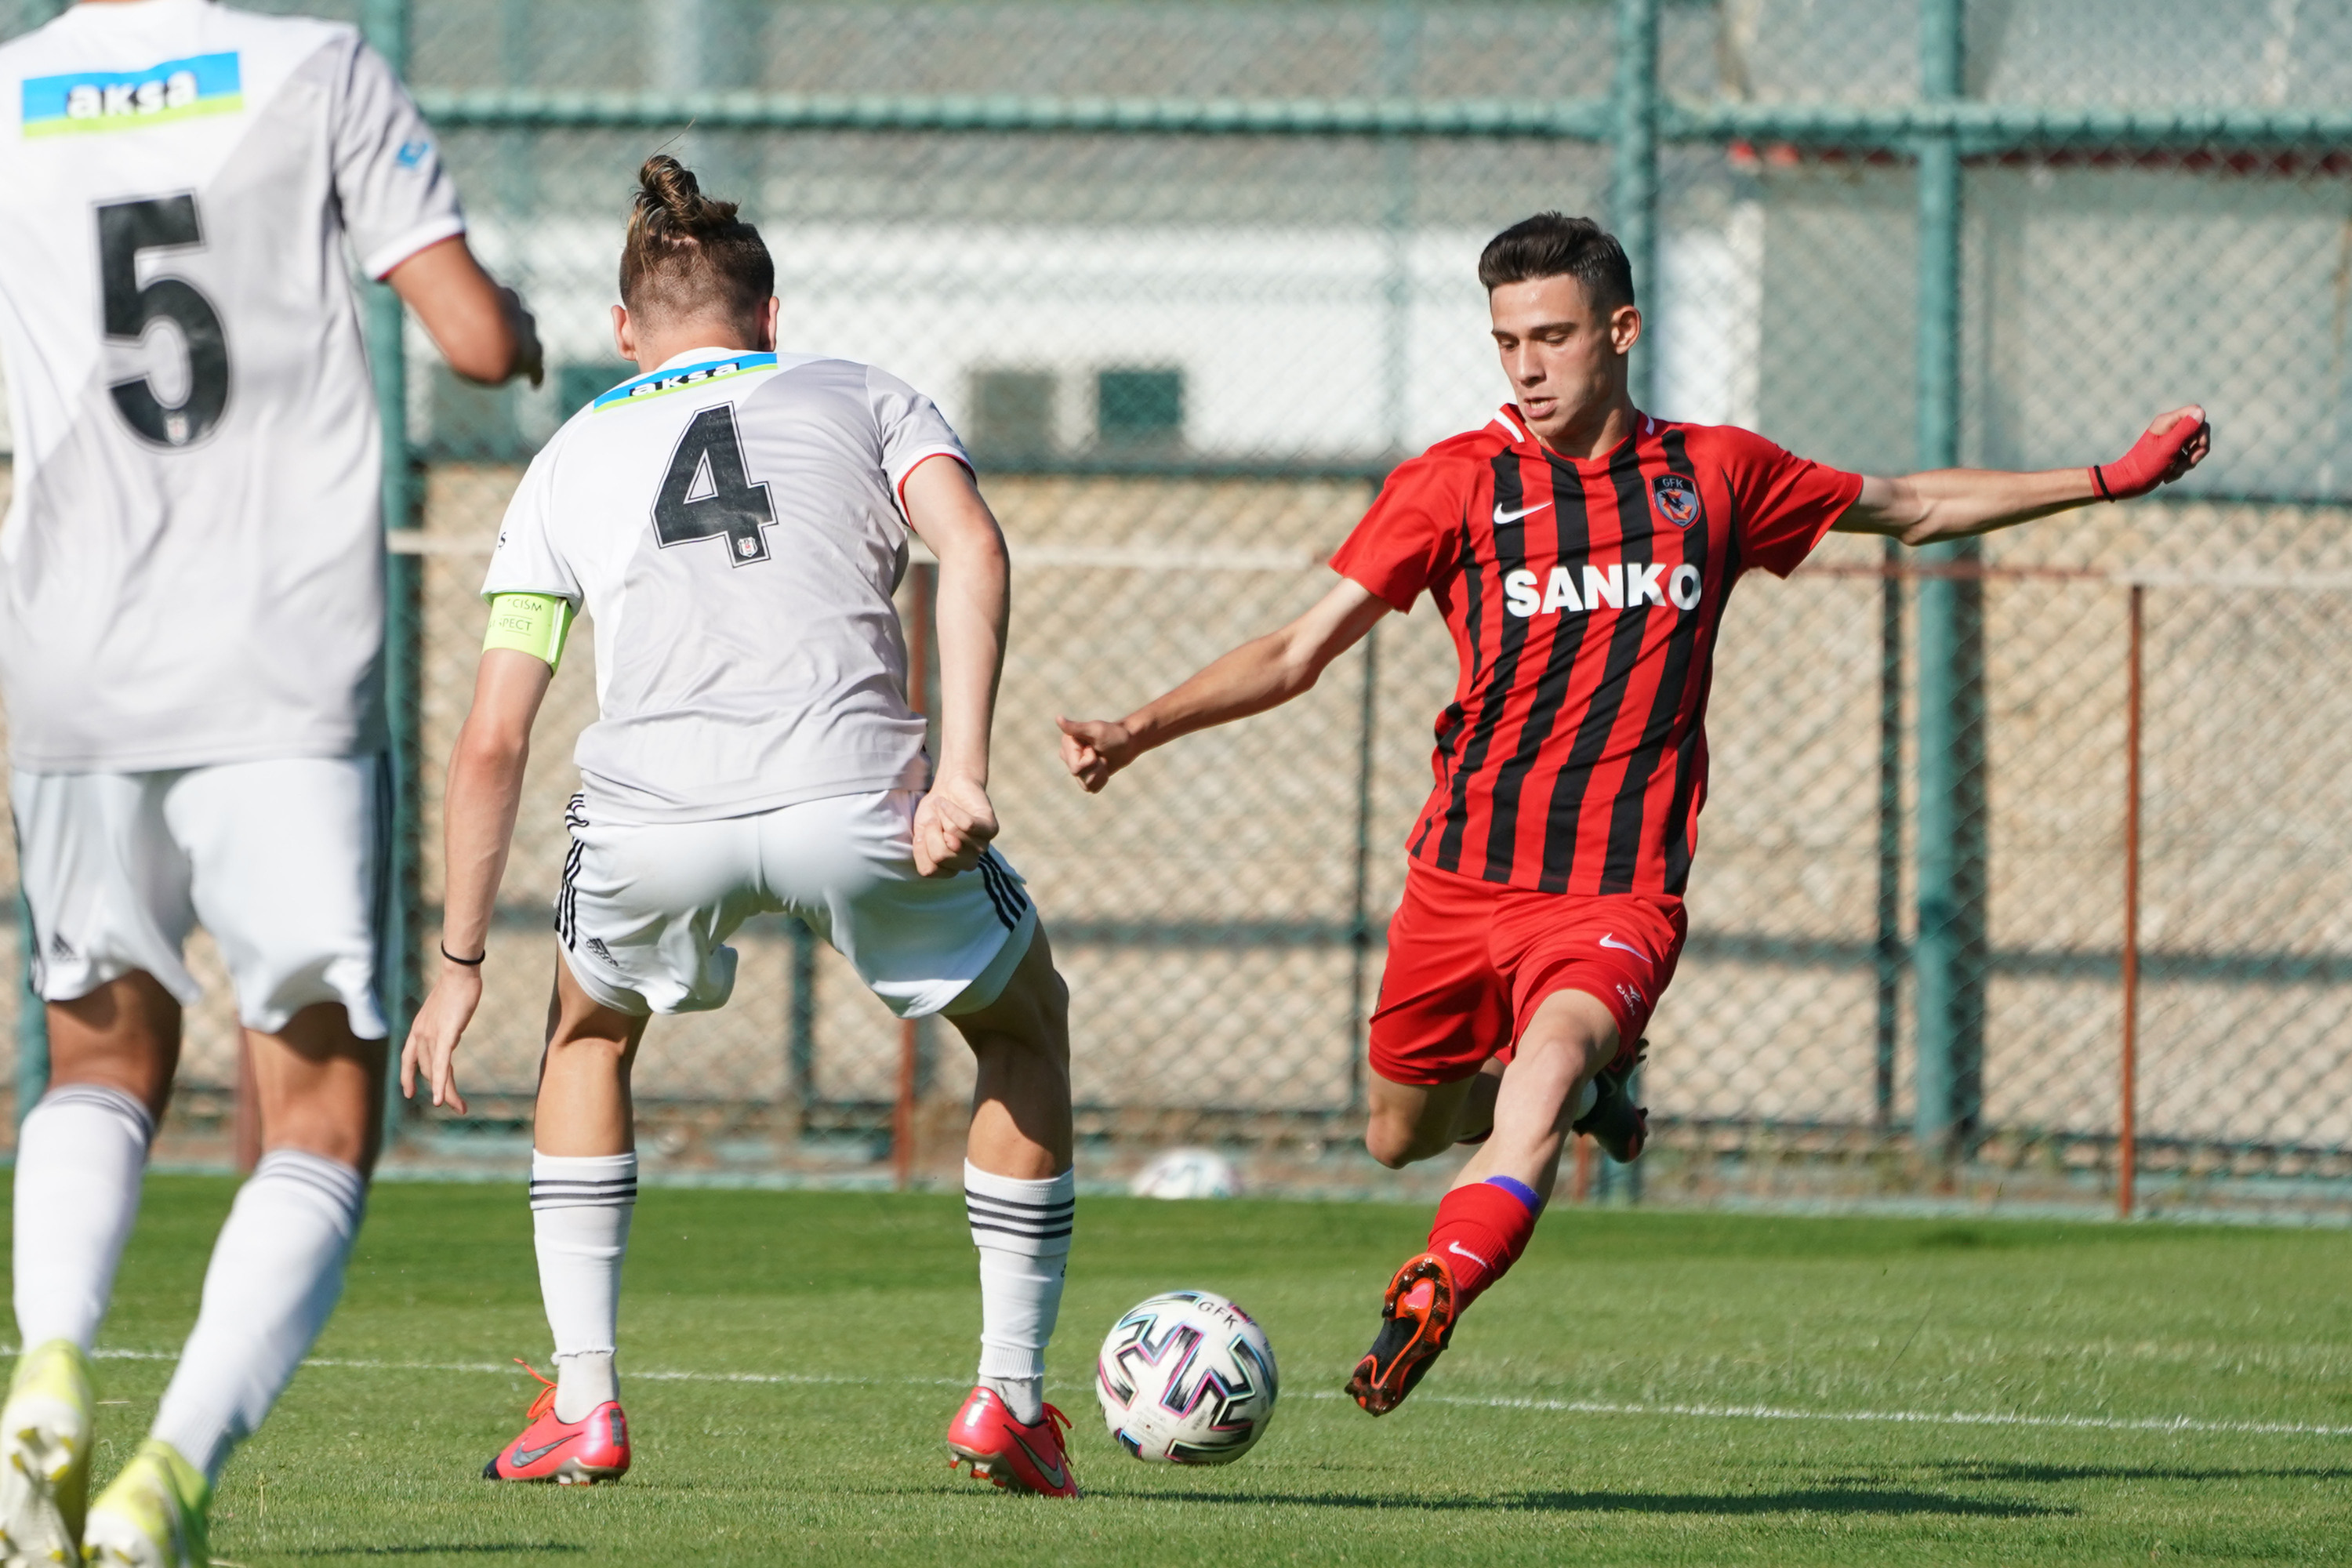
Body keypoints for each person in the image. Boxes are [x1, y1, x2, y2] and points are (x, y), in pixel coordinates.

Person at [1058, 211, 2209, 1417]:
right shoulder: (1456, 484)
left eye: (1551, 336)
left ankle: (1437, 1285)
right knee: (1400, 1134)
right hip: (1459, 882)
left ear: (1621, 330)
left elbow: (1913, 503)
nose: (1527, 367)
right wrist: (1140, 729)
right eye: (1506, 342)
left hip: (1616, 892)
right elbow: (1297, 652)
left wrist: (2104, 480)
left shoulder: (1714, 474)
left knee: (1544, 1067)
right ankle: (1589, 1107)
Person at [400, 155, 1082, 1499]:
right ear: (774, 319)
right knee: (1024, 1021)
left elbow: (492, 737)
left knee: (587, 1032)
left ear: (622, 336)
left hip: (654, 821)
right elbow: (977, 549)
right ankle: (1008, 1399)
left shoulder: (569, 453)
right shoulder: (868, 392)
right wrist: (964, 773)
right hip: (861, 799)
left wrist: (460, 961)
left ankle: (585, 1409)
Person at [0, 0, 540, 1563]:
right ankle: (168, 1470)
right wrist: (521, 322)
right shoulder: (318, 69)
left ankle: (47, 1358)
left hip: (75, 654)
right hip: (281, 663)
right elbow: (473, 339)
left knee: (96, 1058)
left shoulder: (14, 94)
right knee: (315, 1108)